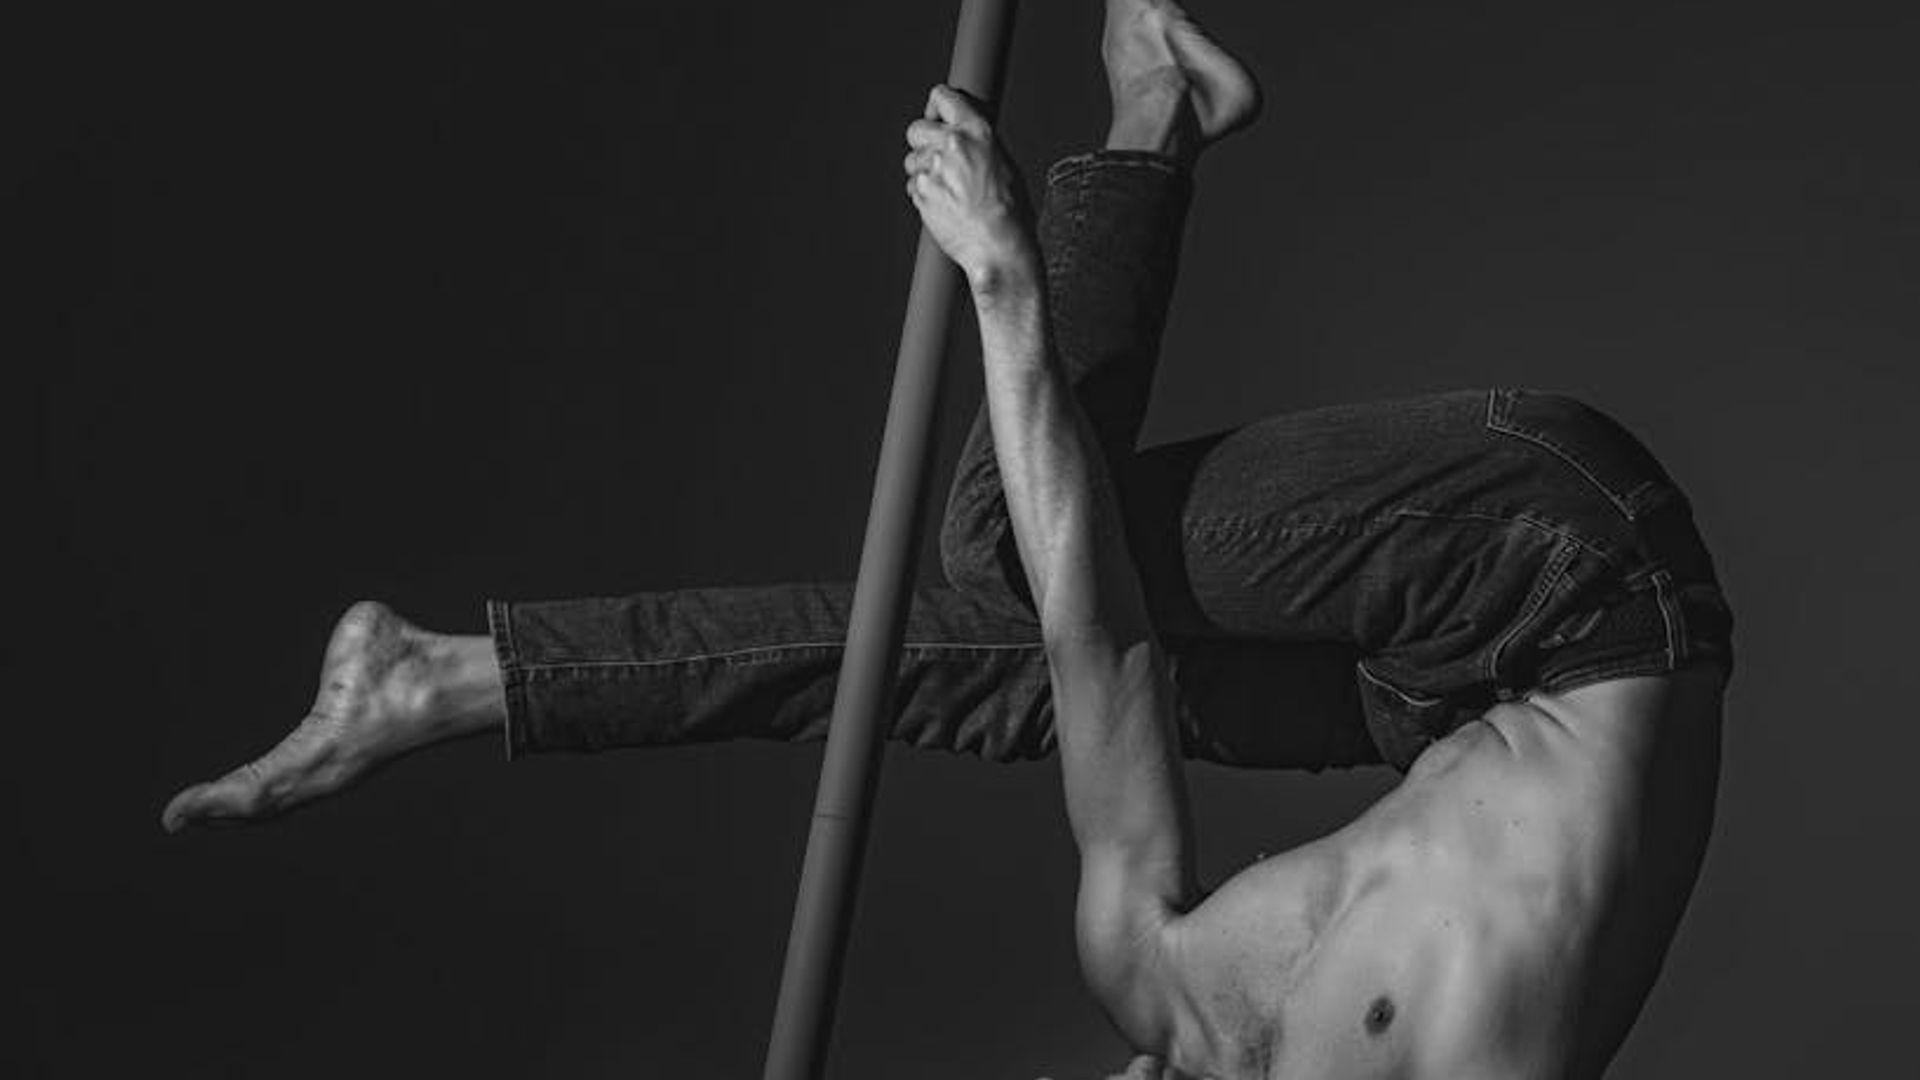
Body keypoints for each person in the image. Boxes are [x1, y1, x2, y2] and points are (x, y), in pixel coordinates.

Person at [162, 2, 1736, 1077]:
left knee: (1003, 618)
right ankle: (1154, 109)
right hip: (1572, 579)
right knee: (1019, 580)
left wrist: (1004, 291)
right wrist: (1004, 284)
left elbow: (1088, 637)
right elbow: (1097, 616)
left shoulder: (1155, 976)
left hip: (1439, 698)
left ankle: (448, 680)